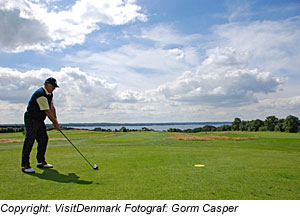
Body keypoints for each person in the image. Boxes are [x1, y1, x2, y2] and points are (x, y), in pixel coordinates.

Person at [21, 77, 60, 173]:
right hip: (31, 118)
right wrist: (55, 123)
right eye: (52, 86)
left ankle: (41, 161)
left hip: (39, 120)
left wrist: (56, 120)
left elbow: (51, 107)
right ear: (46, 85)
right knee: (29, 140)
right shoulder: (40, 94)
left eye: (55, 87)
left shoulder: (49, 94)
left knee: (43, 139)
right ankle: (25, 165)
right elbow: (47, 111)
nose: (54, 88)